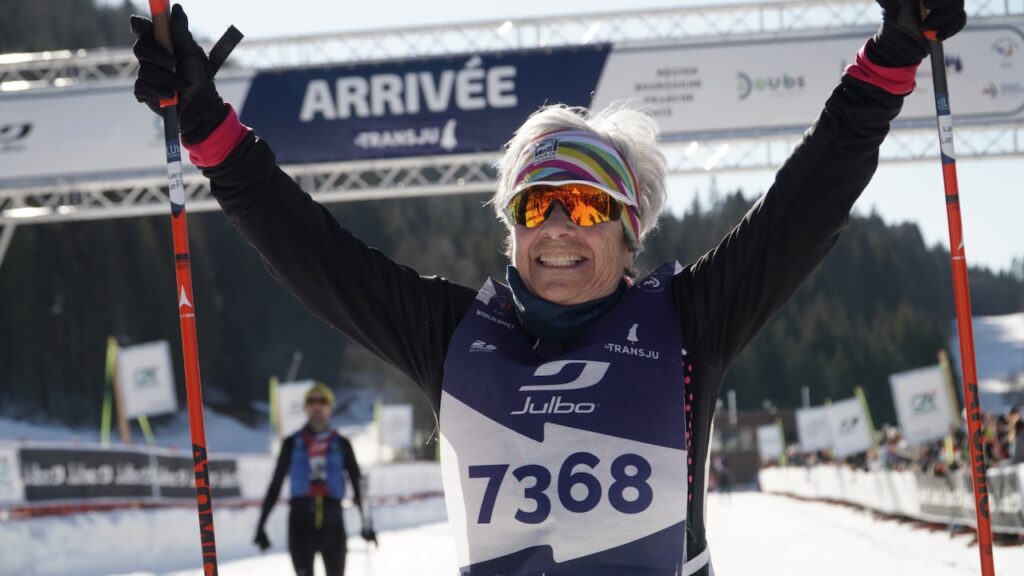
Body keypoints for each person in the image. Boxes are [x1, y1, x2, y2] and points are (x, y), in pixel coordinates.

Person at [131, 1, 966, 574]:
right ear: (512, 229)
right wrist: (207, 125)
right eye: (536, 206)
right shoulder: (451, 333)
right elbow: (310, 250)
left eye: (586, 205)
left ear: (627, 229)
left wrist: (892, 57)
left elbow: (806, 201)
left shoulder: (687, 321)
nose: (559, 227)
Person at [254, 383, 376, 576]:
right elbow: (275, 485)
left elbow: (357, 484)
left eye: (322, 401)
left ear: (330, 407)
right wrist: (261, 525)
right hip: (301, 525)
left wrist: (367, 524)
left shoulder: (342, 444)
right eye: (311, 401)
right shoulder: (292, 443)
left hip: (333, 525)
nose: (317, 406)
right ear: (305, 408)